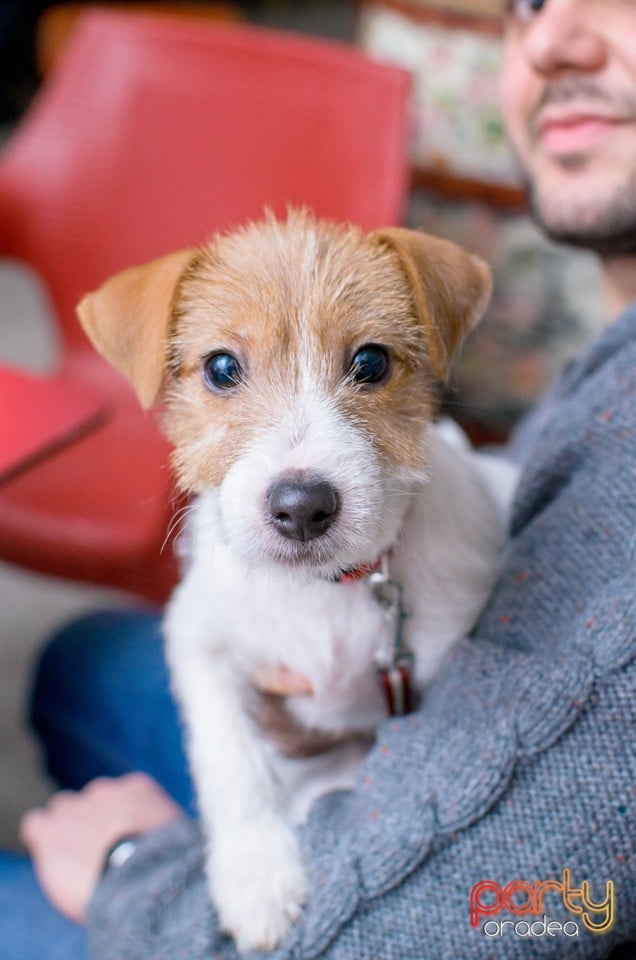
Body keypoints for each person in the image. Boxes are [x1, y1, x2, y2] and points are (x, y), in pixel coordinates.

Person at [3, 0, 636, 955]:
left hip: (387, 857)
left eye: (370, 366)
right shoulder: (604, 369)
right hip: (322, 719)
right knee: (76, 661)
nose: (552, 36)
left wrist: (141, 867)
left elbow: (484, 896)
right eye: (224, 371)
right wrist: (269, 783)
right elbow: (201, 641)